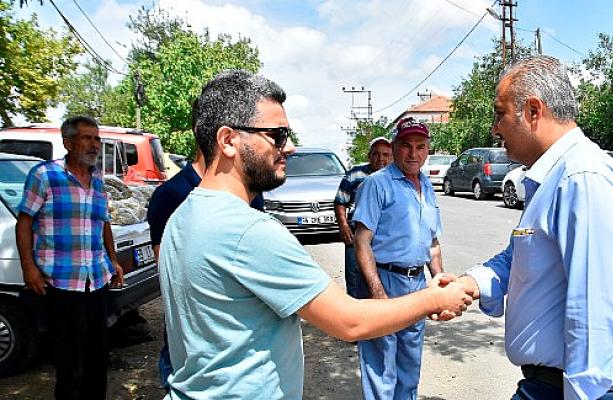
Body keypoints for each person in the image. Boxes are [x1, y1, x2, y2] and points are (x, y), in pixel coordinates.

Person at [157, 70, 472, 399]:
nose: (290, 147)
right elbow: (349, 322)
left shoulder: (183, 217)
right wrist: (435, 298)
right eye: (277, 135)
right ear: (228, 140)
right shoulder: (249, 232)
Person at [441, 55, 613, 400]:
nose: (495, 128)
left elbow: (594, 308)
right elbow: (520, 256)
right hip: (552, 385)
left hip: (585, 389)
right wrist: (470, 283)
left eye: (500, 113)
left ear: (533, 111)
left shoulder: (582, 179)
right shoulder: (552, 176)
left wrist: (582, 393)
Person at [146, 100, 266, 389]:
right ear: (208, 131)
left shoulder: (250, 192)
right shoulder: (171, 195)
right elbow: (170, 272)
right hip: (195, 346)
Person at [15, 116, 125, 400]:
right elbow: (25, 221)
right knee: (69, 366)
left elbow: (103, 223)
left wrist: (113, 261)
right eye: (87, 138)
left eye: (97, 139)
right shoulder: (45, 176)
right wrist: (29, 267)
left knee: (98, 361)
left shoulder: (98, 179)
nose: (94, 144)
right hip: (60, 284)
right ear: (68, 142)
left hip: (96, 283)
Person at [352, 117, 443, 400]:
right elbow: (362, 241)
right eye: (406, 146)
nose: (413, 154)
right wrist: (378, 293)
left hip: (417, 284)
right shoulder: (376, 184)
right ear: (394, 147)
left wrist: (439, 282)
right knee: (380, 366)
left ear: (428, 150)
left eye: (420, 146)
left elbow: (433, 243)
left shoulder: (426, 185)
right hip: (385, 280)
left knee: (409, 365)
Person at [333, 136, 392, 299]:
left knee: (380, 279)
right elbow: (340, 201)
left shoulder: (394, 177)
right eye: (376, 154)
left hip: (383, 237)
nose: (381, 158)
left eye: (386, 155)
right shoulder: (355, 174)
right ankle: (355, 314)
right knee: (354, 277)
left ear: (392, 156)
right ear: (369, 156)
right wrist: (343, 225)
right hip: (356, 233)